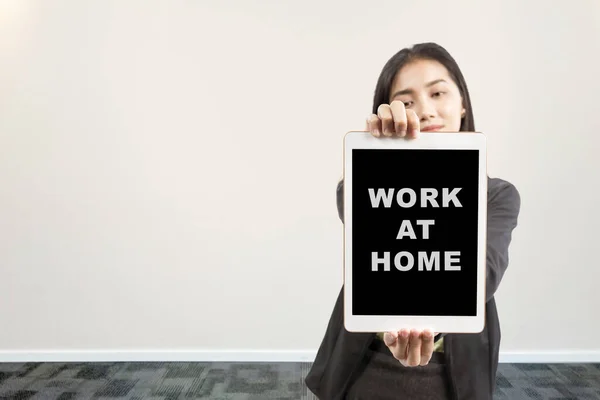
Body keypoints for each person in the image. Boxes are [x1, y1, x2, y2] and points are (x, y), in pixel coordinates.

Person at [305, 42, 521, 400]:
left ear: (463, 103)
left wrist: (427, 330)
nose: (423, 110)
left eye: (438, 92)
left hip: (450, 374)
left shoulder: (496, 194)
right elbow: (353, 202)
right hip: (360, 365)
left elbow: (478, 278)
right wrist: (385, 159)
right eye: (405, 101)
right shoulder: (365, 182)